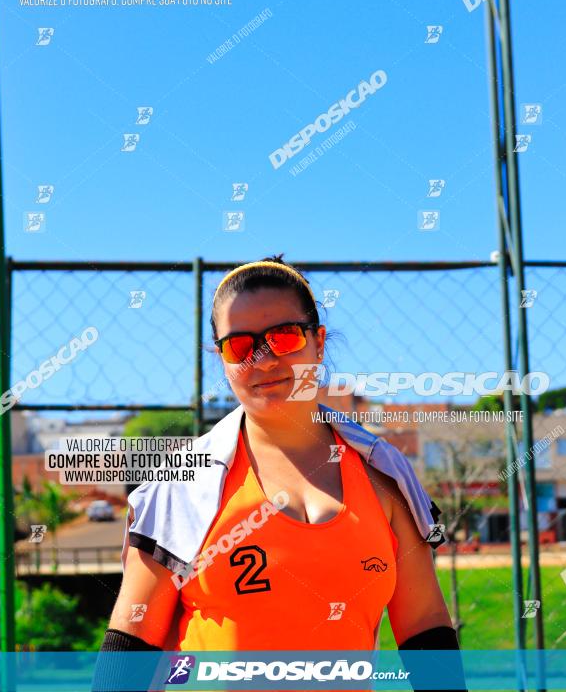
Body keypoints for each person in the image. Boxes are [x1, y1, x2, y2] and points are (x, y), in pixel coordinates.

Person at [95, 256, 466, 691]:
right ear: (221, 359)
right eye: (239, 345)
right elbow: (133, 637)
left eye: (284, 337)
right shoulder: (185, 483)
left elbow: (425, 626)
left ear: (319, 343)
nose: (264, 359)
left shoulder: (384, 474)